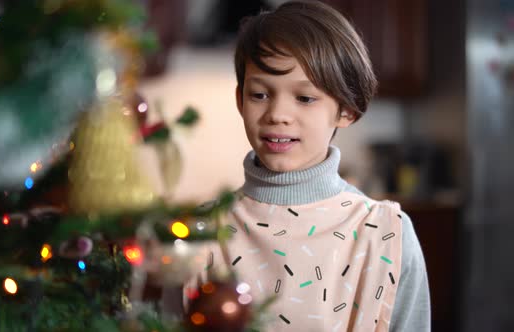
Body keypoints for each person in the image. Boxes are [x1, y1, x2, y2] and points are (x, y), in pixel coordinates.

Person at [185, 1, 431, 331]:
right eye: (259, 94)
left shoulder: (386, 233)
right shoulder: (202, 232)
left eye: (305, 98)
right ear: (239, 99)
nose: (277, 114)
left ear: (346, 109)